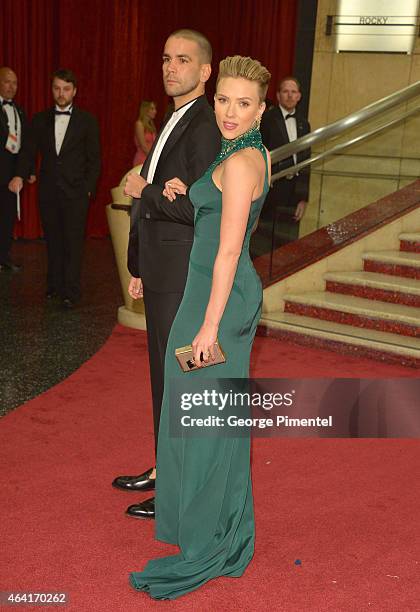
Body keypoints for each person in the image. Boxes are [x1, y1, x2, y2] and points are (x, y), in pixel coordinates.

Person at [129, 55, 271, 600]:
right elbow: (214, 215)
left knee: (205, 418)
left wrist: (209, 326)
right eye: (224, 100)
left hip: (219, 302)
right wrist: (184, 191)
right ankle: (210, 526)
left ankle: (212, 539)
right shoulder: (236, 152)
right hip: (201, 293)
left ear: (261, 111)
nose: (230, 111)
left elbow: (230, 248)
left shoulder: (240, 163)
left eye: (244, 104)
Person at [112, 30, 220, 518]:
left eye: (183, 60)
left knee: (181, 381)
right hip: (160, 267)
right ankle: (164, 468)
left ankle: (178, 488)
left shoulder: (203, 125)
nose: (170, 67)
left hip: (182, 272)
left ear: (205, 72)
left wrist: (144, 188)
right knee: (163, 379)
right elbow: (159, 200)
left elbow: (197, 205)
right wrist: (138, 263)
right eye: (165, 58)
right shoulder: (175, 119)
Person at [10, 69, 100, 308]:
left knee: (73, 243)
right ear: (52, 90)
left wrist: (88, 190)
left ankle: (71, 291)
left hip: (76, 194)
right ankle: (54, 285)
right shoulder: (40, 119)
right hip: (48, 192)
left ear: (75, 91)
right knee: (53, 241)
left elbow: (95, 160)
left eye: (66, 89)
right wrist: (20, 174)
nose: (61, 94)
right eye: (57, 88)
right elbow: (28, 151)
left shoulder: (87, 121)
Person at [260, 76, 310, 247]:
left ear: (299, 96)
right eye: (285, 91)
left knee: (287, 242)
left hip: (293, 190)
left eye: (293, 92)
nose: (289, 95)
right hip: (271, 187)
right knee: (264, 241)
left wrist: (303, 197)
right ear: (278, 95)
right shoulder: (266, 120)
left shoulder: (304, 124)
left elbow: (306, 160)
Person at [0, 67, 30, 272]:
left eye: (15, 83)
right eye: (7, 82)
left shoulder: (19, 110)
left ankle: (3, 256)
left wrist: (26, 172)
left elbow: (24, 144)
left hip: (12, 177)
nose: (12, 87)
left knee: (7, 217)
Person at [133, 100, 157, 166]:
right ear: (145, 110)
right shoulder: (139, 124)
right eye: (152, 109)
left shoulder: (152, 125)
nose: (155, 111)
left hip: (150, 158)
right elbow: (143, 146)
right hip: (142, 159)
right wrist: (153, 159)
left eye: (155, 109)